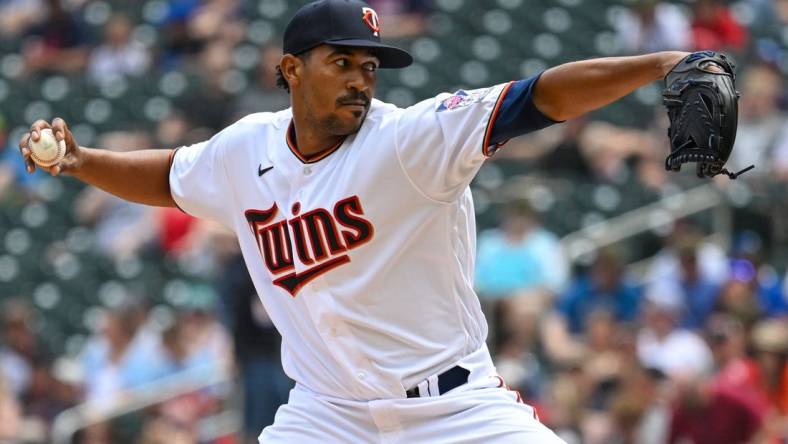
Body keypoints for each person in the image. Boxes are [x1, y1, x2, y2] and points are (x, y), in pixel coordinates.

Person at [17, 1, 694, 441]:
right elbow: (167, 176)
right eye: (341, 62)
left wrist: (661, 66)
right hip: (328, 415)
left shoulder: (408, 141)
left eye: (369, 66)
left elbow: (538, 97)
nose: (360, 79)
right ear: (291, 70)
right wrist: (81, 160)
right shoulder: (244, 149)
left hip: (455, 413)